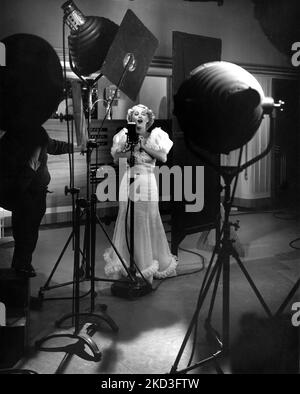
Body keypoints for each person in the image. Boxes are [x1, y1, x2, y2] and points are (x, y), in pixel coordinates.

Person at [103, 104, 177, 283]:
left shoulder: (156, 135)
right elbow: (116, 158)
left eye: (142, 114)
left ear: (148, 119)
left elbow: (163, 157)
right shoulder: (125, 137)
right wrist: (130, 149)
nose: (139, 117)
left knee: (146, 221)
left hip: (147, 182)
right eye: (135, 114)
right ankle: (129, 265)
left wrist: (143, 146)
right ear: (131, 119)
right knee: (128, 221)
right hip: (128, 181)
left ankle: (146, 267)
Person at [0, 125, 73, 277]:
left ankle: (20, 268)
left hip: (37, 194)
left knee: (29, 233)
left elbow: (53, 145)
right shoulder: (13, 137)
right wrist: (31, 166)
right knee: (24, 234)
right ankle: (21, 270)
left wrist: (76, 147)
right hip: (24, 194)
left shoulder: (38, 132)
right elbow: (9, 167)